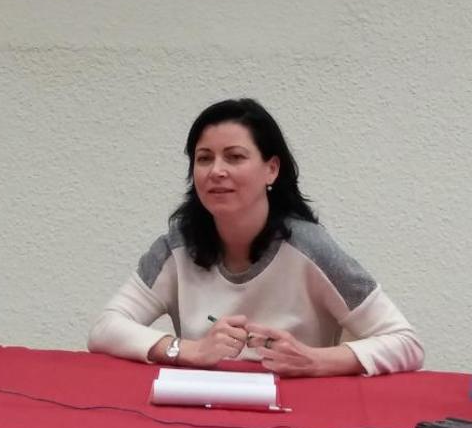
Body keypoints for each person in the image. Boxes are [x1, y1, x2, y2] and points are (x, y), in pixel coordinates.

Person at [87, 98, 422, 377]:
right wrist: (188, 350)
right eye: (204, 159)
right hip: (198, 413)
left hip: (297, 417)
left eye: (235, 157)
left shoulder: (310, 246)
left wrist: (315, 360)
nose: (217, 171)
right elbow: (105, 328)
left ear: (271, 169)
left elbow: (406, 342)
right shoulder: (178, 245)